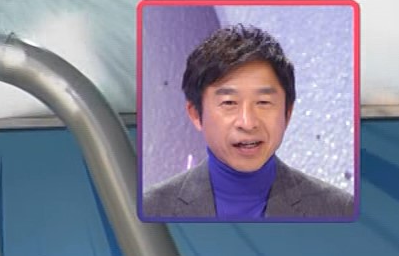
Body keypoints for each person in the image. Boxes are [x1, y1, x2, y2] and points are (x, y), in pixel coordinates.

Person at [141, 23, 357, 220]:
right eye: (229, 103)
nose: (247, 122)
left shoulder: (339, 209)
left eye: (263, 102)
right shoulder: (151, 207)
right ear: (196, 114)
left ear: (288, 113)